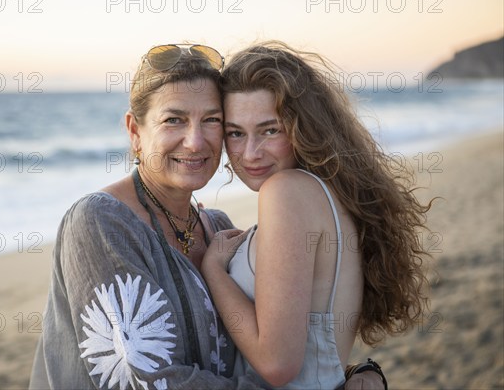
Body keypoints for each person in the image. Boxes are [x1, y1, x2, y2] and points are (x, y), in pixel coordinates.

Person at [29, 43, 386, 389]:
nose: (196, 141)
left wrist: (355, 371)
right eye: (174, 120)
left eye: (212, 121)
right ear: (136, 133)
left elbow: (279, 342)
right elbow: (148, 378)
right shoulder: (101, 223)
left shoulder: (220, 229)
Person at [202, 41, 430, 389]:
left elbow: (277, 364)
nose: (249, 153)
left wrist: (213, 270)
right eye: (235, 133)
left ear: (303, 127)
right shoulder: (325, 195)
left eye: (270, 130)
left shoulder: (287, 192)